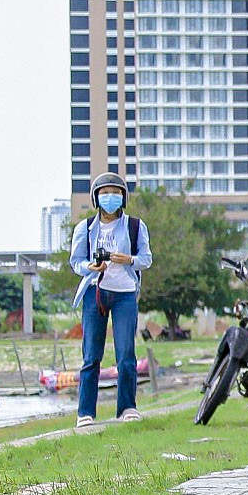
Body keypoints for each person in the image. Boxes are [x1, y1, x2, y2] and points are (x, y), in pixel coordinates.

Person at [69, 172, 153, 427]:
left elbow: (146, 259)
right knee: (91, 355)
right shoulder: (84, 228)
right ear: (96, 198)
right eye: (104, 193)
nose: (110, 198)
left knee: (126, 353)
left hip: (125, 293)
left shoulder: (135, 226)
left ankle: (127, 407)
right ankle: (85, 412)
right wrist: (90, 267)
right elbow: (76, 262)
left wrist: (128, 260)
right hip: (95, 293)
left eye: (115, 193)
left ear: (123, 197)